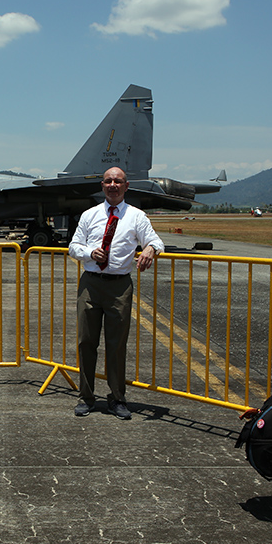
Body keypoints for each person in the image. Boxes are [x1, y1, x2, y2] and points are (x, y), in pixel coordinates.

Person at [68, 166, 165, 419]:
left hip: (119, 287)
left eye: (118, 181)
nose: (113, 185)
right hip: (90, 284)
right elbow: (73, 246)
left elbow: (155, 240)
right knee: (86, 342)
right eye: (108, 181)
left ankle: (117, 398)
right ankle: (86, 397)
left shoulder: (137, 217)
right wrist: (89, 253)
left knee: (116, 344)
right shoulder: (89, 215)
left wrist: (150, 249)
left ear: (126, 186)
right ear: (102, 186)